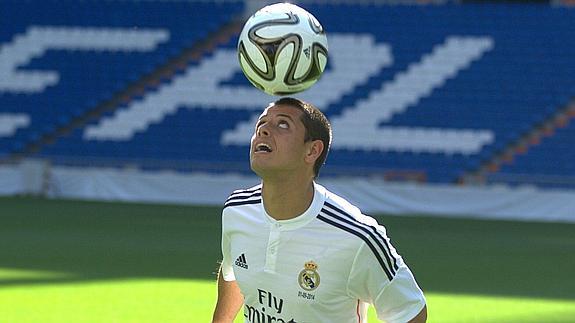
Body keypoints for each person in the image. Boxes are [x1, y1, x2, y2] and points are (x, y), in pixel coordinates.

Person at [212, 97, 427, 323]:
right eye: (260, 124)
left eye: (282, 124)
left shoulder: (358, 236)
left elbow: (411, 313)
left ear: (312, 150)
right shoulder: (236, 210)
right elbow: (232, 271)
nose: (264, 131)